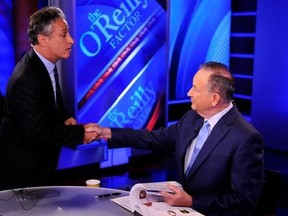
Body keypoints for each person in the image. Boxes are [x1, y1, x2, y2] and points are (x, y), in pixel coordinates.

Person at [90, 62, 265, 215]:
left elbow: (243, 202)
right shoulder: (191, 118)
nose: (189, 93)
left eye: (195, 88)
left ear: (214, 99)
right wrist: (105, 132)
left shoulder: (246, 138)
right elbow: (153, 138)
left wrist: (191, 201)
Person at [0, 6, 98, 190]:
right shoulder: (26, 79)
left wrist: (64, 118)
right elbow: (38, 134)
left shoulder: (43, 64)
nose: (71, 40)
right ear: (43, 40)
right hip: (22, 179)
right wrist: (80, 133)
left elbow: (50, 104)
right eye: (63, 35)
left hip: (40, 169)